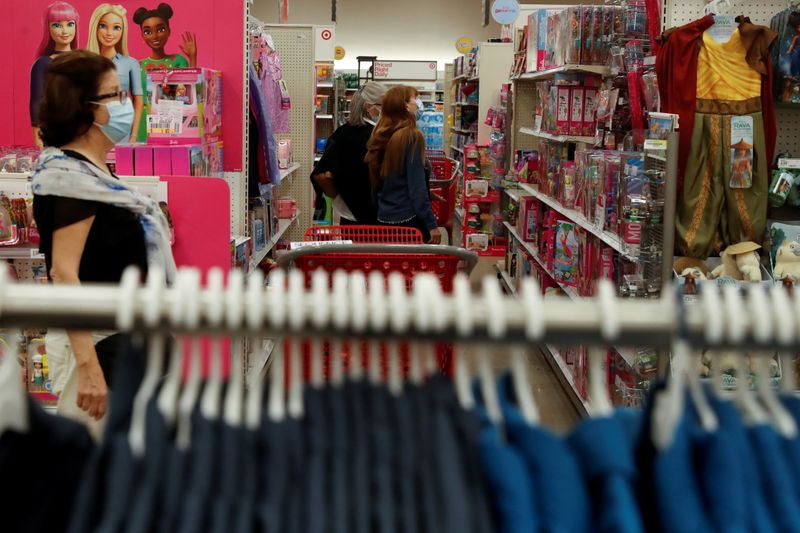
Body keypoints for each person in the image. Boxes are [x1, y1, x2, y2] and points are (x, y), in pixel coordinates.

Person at [32, 51, 176, 438]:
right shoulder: (68, 179)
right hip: (97, 352)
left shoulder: (93, 174)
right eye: (115, 95)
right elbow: (64, 273)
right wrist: (88, 368)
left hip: (122, 344)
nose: (127, 103)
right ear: (87, 109)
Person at [365, 86, 441, 243]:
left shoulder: (379, 134)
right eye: (415, 99)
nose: (418, 103)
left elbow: (376, 183)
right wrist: (431, 224)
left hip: (383, 218)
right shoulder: (412, 136)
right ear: (405, 106)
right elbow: (416, 187)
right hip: (409, 221)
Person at [311, 81, 388, 225]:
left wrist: (341, 201)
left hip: (350, 216)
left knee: (352, 248)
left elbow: (321, 174)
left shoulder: (341, 133)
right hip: (376, 215)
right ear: (369, 107)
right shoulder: (377, 136)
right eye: (383, 105)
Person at [132, 2, 197, 141]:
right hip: (143, 125)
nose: (155, 36)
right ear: (142, 36)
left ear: (169, 31)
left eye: (160, 29)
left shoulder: (178, 61)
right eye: (148, 32)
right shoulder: (138, 65)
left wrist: (192, 58)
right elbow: (134, 102)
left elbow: (189, 93)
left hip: (171, 123)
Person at [86, 4, 144, 143]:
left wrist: (133, 136)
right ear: (95, 27)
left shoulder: (131, 63)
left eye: (116, 27)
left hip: (121, 132)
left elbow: (138, 102)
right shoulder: (85, 62)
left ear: (123, 31)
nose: (109, 33)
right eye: (103, 26)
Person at [29, 1, 80, 148]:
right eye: (57, 25)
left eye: (70, 24)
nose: (65, 31)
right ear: (48, 29)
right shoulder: (43, 64)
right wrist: (37, 138)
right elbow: (36, 102)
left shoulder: (84, 60)